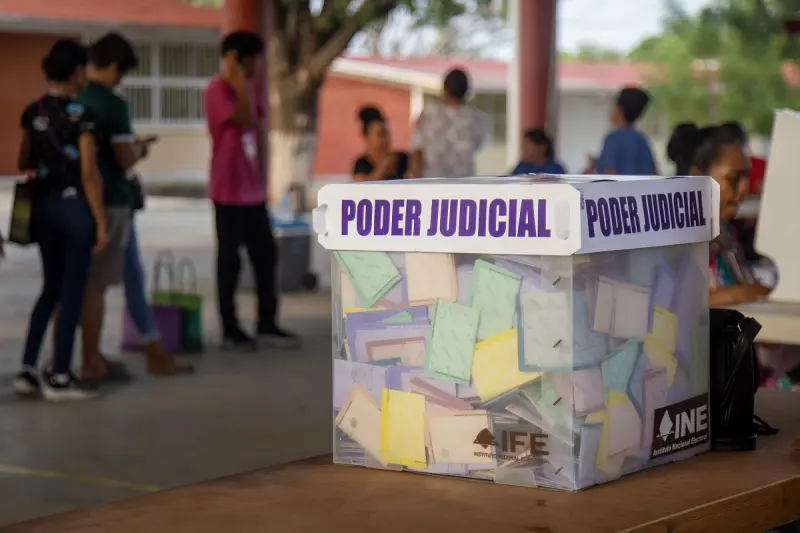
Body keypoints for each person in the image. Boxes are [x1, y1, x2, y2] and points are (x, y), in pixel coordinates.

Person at [668, 123, 800, 389]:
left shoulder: (724, 233)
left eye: (746, 178)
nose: (744, 189)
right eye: (734, 179)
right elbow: (688, 304)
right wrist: (754, 292)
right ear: (697, 177)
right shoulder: (680, 239)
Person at [12, 39, 106, 401]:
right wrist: (100, 220)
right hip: (74, 211)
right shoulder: (84, 116)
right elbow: (88, 173)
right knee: (71, 294)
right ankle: (61, 377)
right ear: (77, 72)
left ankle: (27, 370)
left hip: (42, 210)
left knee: (50, 288)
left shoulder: (33, 110)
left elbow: (23, 160)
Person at [204, 30, 299, 350]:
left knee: (265, 256)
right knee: (230, 262)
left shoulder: (251, 89)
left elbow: (256, 127)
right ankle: (231, 328)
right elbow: (243, 119)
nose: (260, 65)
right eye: (256, 59)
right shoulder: (217, 89)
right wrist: (238, 84)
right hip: (227, 191)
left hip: (252, 192)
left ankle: (267, 323)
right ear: (237, 59)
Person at [75, 32, 152, 382]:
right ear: (114, 67)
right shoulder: (113, 105)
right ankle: (91, 360)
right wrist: (139, 149)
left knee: (70, 284)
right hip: (109, 202)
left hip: (73, 202)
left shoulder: (74, 99)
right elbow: (123, 158)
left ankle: (63, 358)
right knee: (96, 286)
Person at [410, 68, 488, 178]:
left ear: (444, 89)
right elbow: (478, 144)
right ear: (466, 91)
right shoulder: (476, 118)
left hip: (432, 182)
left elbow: (417, 150)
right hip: (464, 182)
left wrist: (415, 180)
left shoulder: (428, 115)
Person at [595, 87, 657, 175]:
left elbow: (609, 173)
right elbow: (653, 172)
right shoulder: (642, 139)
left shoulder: (612, 139)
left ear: (619, 110)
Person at [352, 106, 409, 181]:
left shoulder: (403, 159)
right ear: (367, 137)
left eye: (387, 133)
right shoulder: (361, 165)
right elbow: (361, 185)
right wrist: (382, 169)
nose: (385, 139)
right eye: (380, 135)